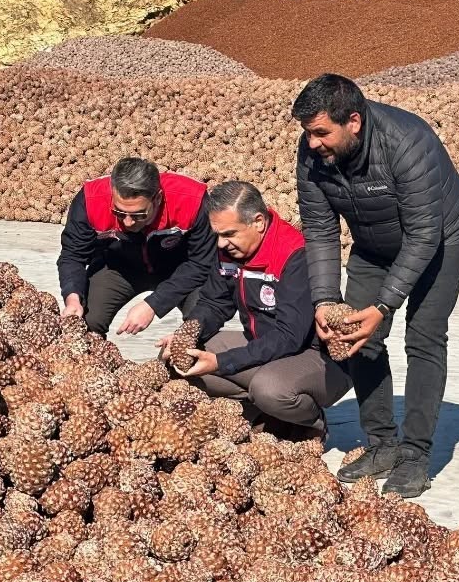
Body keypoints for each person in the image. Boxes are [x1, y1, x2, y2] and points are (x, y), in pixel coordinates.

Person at [291, 74, 459, 497]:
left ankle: (415, 453)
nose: (313, 143)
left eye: (322, 132)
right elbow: (319, 230)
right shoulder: (312, 153)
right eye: (308, 133)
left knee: (424, 336)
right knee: (359, 338)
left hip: (442, 236)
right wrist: (324, 299)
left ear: (353, 121)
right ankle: (382, 443)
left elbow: (424, 235)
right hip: (374, 242)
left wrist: (383, 306)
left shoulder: (407, 141)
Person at [159, 180, 351, 441]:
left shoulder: (294, 254)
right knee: (178, 360)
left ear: (258, 222)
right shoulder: (231, 252)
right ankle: (264, 415)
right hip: (263, 343)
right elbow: (214, 303)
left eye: (229, 234)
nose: (221, 244)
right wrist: (187, 333)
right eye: (217, 234)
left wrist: (222, 362)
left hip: (316, 356)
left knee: (269, 389)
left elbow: (288, 337)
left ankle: (311, 421)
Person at [57, 157, 216, 336]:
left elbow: (202, 263)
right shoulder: (91, 199)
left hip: (180, 269)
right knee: (87, 321)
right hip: (119, 267)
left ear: (158, 198)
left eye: (139, 214)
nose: (128, 222)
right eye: (119, 212)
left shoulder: (191, 200)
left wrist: (153, 304)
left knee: (203, 317)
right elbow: (72, 255)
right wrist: (72, 298)